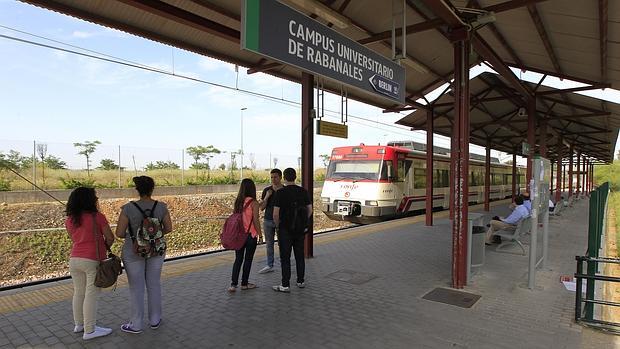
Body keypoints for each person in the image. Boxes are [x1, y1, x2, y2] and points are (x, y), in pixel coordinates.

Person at [115, 176, 172, 334]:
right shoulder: (161, 207)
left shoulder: (128, 208)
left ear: (137, 189)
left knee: (136, 287)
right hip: (156, 250)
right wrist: (152, 233)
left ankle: (136, 324)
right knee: (154, 284)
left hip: (133, 252)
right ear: (152, 189)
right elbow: (168, 228)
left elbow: (119, 233)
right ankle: (155, 319)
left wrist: (136, 236)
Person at [65, 187, 115, 340]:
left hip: (74, 260)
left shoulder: (70, 219)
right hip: (92, 259)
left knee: (79, 292)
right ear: (90, 200)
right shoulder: (98, 217)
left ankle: (79, 324)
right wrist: (104, 246)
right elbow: (110, 238)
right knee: (91, 295)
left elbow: (74, 239)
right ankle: (90, 330)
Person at [272, 168, 312, 293]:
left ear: (284, 177)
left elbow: (275, 214)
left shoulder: (280, 193)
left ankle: (285, 285)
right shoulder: (303, 191)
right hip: (299, 230)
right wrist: (302, 221)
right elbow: (309, 210)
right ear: (295, 177)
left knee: (285, 257)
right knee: (299, 255)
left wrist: (278, 226)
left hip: (285, 230)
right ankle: (300, 281)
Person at [228, 178, 262, 292]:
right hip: (251, 236)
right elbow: (256, 220)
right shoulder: (254, 203)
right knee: (248, 259)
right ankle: (244, 283)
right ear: (252, 188)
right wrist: (261, 235)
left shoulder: (238, 201)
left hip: (239, 235)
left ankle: (233, 285)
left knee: (238, 259)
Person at [258, 169, 283, 274]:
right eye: (271, 177)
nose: (273, 179)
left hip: (281, 221)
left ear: (280, 177)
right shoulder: (267, 190)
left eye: (275, 177)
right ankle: (269, 265)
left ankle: (284, 263)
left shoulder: (284, 190)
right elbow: (262, 208)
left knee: (282, 244)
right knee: (269, 244)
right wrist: (267, 197)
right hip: (268, 220)